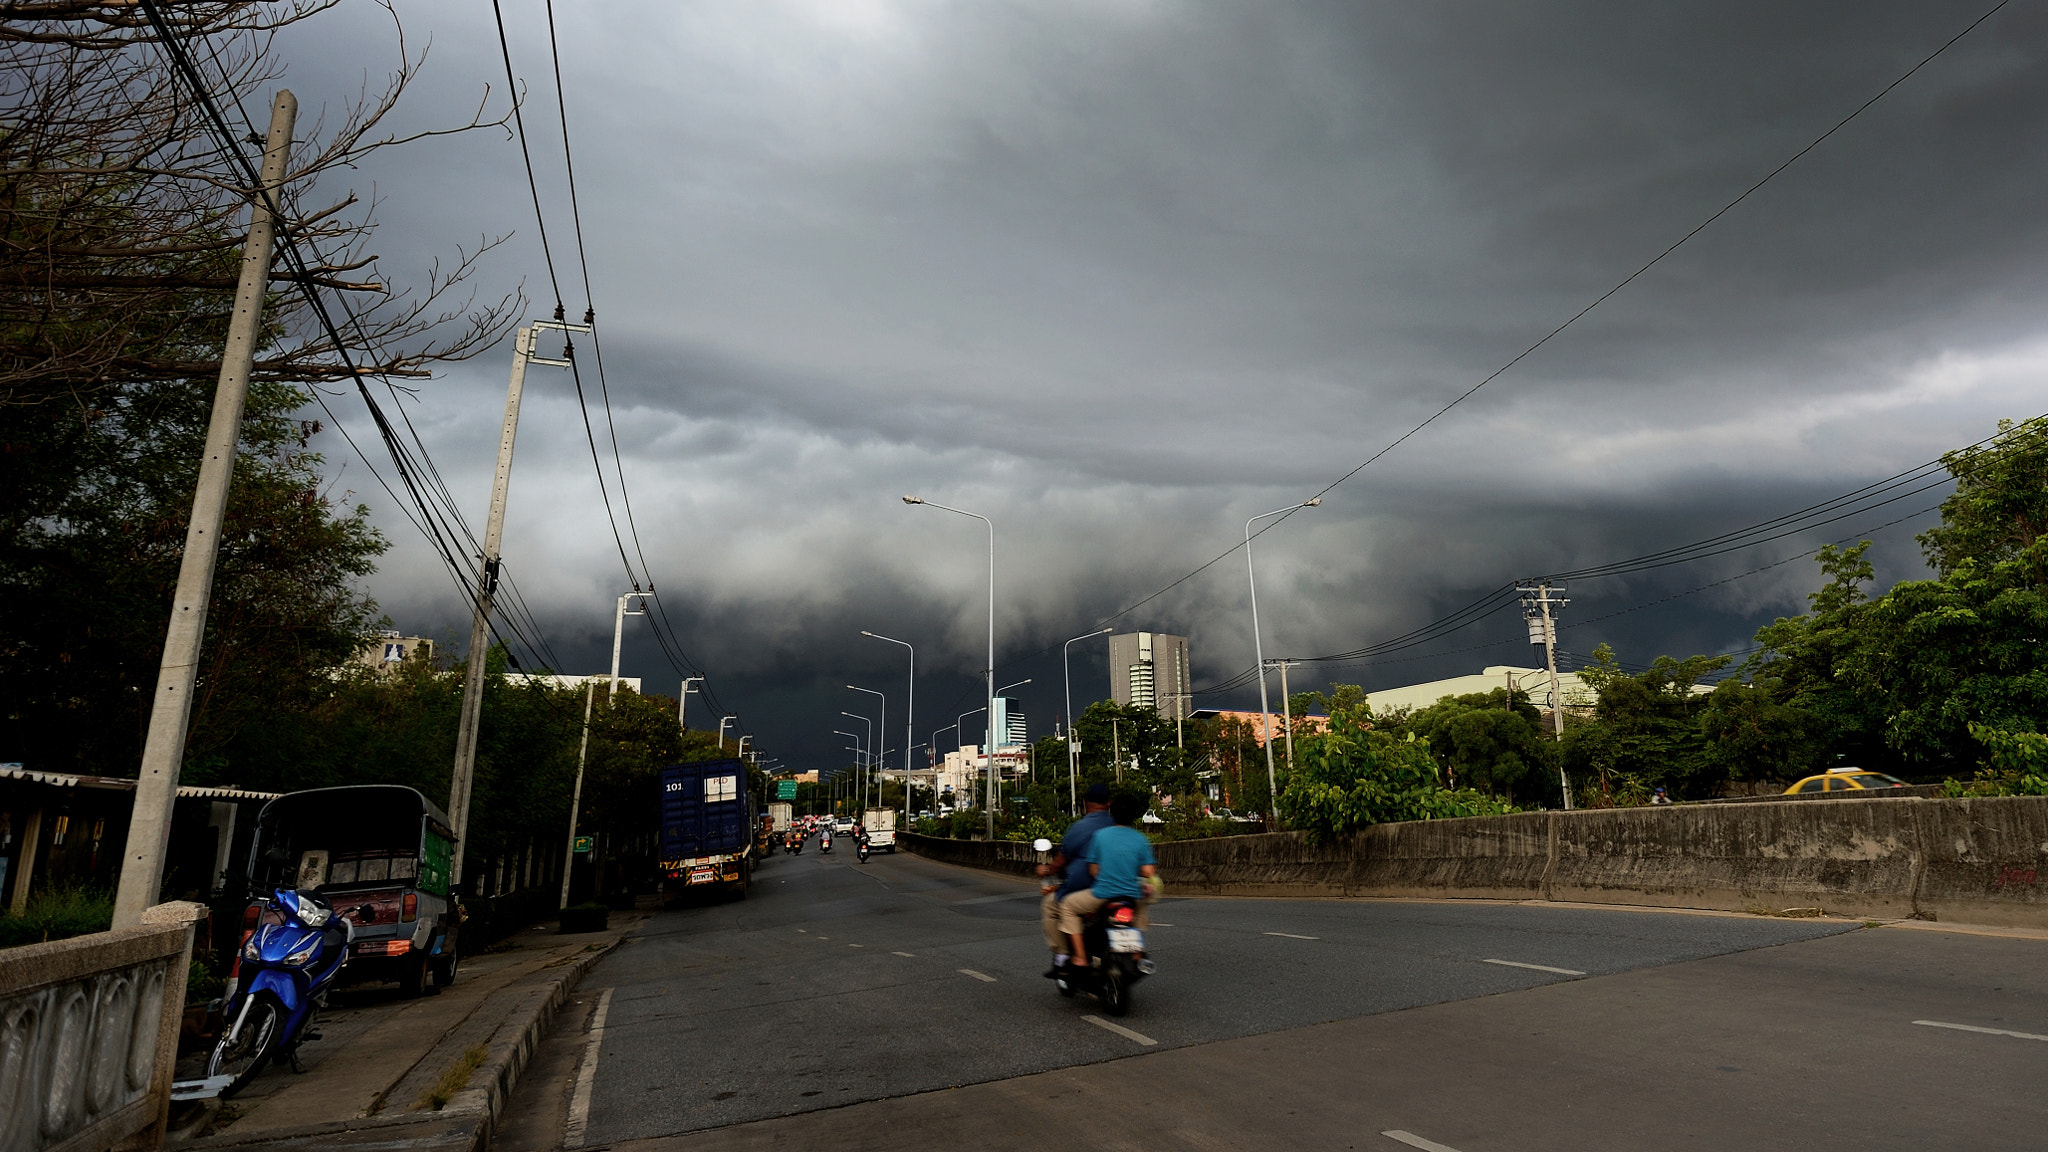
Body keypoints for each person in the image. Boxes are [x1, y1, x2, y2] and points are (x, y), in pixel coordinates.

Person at [1058, 793, 1158, 969]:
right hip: (1131, 895)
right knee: (1141, 910)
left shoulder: (1101, 836)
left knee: (1067, 906)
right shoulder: (1140, 839)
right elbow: (1149, 872)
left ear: (1112, 812)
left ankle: (1080, 957)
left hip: (1103, 894)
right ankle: (1136, 952)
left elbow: (1093, 870)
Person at [1039, 783, 1114, 977]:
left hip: (1090, 892)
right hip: (1122, 889)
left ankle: (1064, 957)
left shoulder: (1078, 829)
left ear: (1084, 803)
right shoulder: (1119, 826)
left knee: (1052, 905)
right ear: (1108, 803)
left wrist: (1047, 870)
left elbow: (1060, 863)